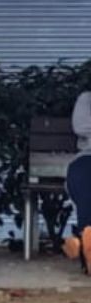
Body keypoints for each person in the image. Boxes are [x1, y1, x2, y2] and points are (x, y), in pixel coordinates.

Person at [62, 90, 91, 272]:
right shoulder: (87, 99)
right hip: (88, 159)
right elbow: (80, 126)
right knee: (85, 178)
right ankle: (87, 240)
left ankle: (84, 243)